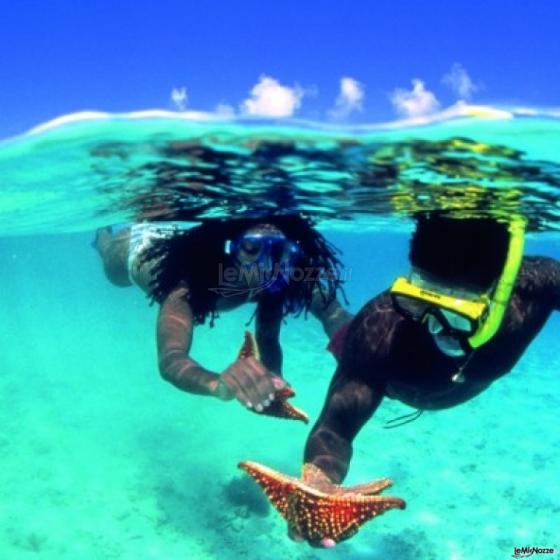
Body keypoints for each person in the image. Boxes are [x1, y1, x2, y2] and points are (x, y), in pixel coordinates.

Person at [240, 214, 560, 547]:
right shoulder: (380, 329)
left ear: (498, 298)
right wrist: (320, 485)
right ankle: (324, 301)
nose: (430, 327)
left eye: (454, 317)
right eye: (415, 303)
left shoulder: (540, 286)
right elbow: (335, 428)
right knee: (342, 328)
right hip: (378, 368)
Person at [95, 214, 352, 414]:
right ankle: (103, 235)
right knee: (111, 263)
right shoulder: (186, 286)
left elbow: (327, 317)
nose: (268, 265)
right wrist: (218, 384)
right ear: (231, 250)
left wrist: (273, 378)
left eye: (279, 252)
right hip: (142, 250)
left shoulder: (281, 278)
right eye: (253, 249)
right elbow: (171, 360)